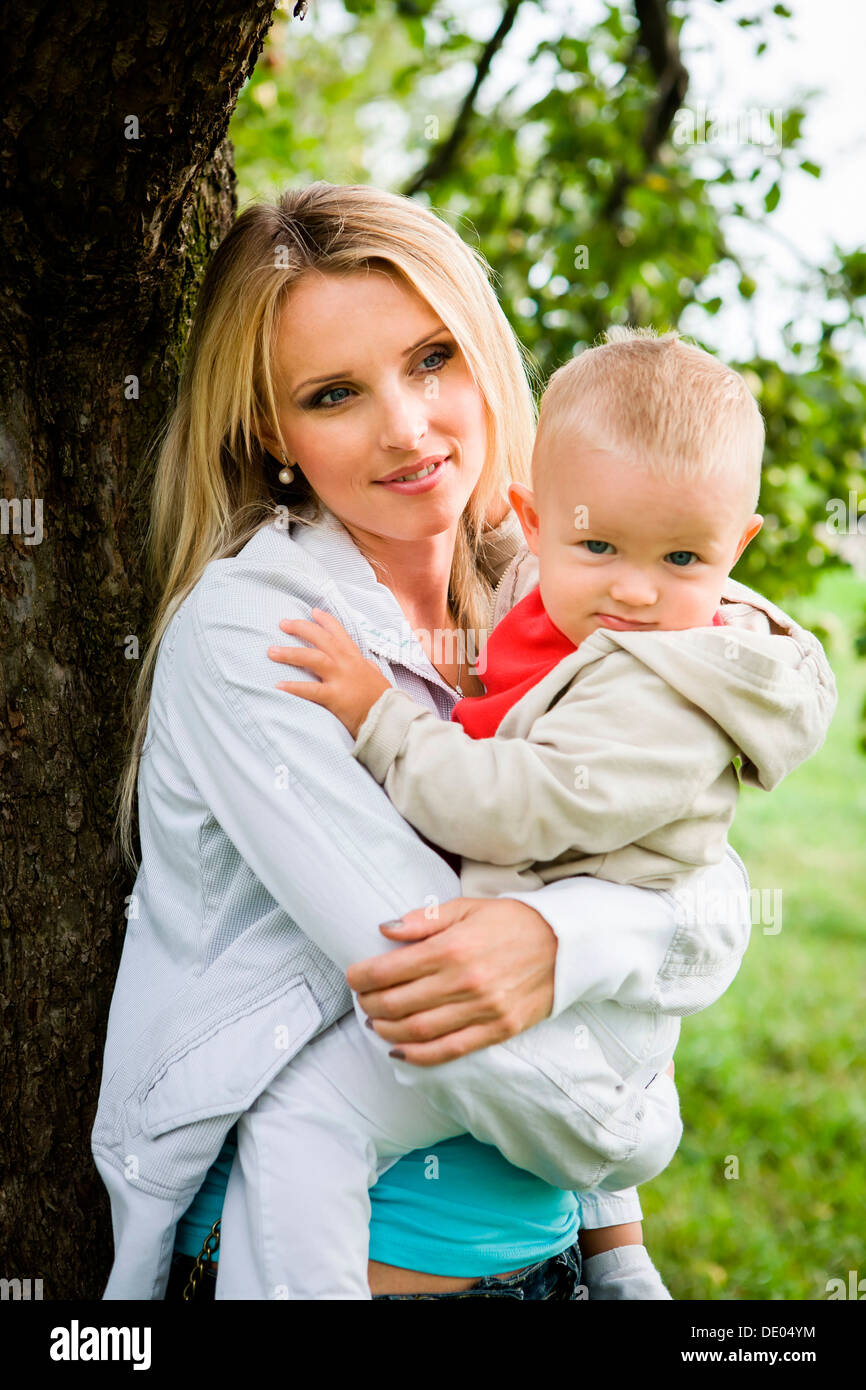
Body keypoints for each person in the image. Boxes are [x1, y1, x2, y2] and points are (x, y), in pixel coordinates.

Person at [94, 182, 759, 1302]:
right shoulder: (258, 630)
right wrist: (630, 1134)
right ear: (272, 430)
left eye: (431, 358)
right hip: (344, 1260)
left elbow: (701, 878)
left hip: (539, 1250)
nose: (405, 427)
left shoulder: (558, 587)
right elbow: (420, 968)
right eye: (334, 392)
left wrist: (560, 947)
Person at [213, 329, 836, 1300]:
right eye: (597, 546)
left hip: (570, 1022)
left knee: (310, 1117)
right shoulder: (546, 587)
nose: (632, 590)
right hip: (563, 987)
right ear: (532, 519)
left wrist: (374, 717)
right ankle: (614, 1251)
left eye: (680, 555)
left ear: (736, 547)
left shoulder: (658, 691)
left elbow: (500, 813)